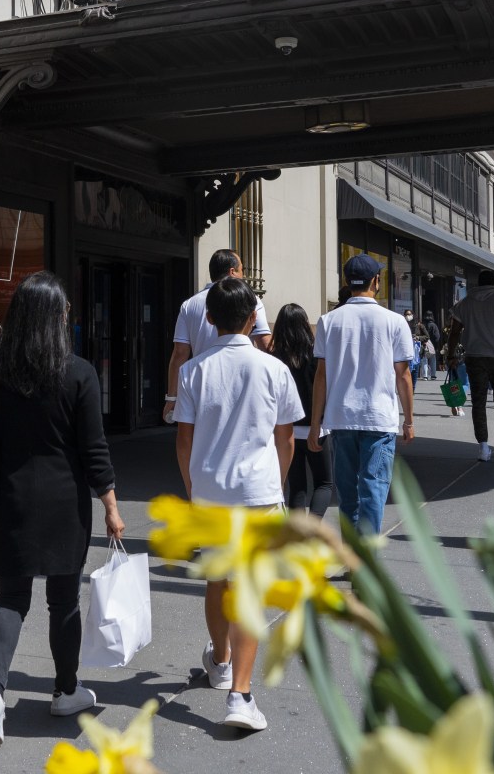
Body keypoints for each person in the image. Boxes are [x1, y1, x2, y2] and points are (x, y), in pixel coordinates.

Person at [0, 272, 124, 746]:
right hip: (64, 502)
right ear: (56, 318)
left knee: (11, 599)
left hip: (10, 498)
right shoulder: (79, 372)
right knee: (63, 601)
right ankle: (65, 690)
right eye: (66, 309)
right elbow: (94, 450)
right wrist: (110, 504)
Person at [174, 277, 303, 732]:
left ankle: (221, 661)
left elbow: (183, 442)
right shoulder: (274, 369)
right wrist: (278, 482)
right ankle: (240, 696)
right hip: (259, 493)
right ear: (253, 319)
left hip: (209, 494)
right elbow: (286, 438)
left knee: (217, 583)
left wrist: (193, 489)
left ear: (208, 318)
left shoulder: (193, 371)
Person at [308, 256, 414, 536]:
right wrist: (409, 419)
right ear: (375, 281)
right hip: (378, 419)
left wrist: (316, 422)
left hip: (341, 417)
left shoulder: (328, 321)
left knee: (347, 494)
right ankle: (366, 561)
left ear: (347, 282)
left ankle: (355, 556)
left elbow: (321, 375)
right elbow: (403, 375)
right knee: (374, 489)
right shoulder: (394, 322)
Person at [163, 249, 270, 425]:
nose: (243, 276)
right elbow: (265, 345)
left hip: (201, 383)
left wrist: (172, 398)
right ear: (232, 272)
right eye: (242, 270)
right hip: (242, 384)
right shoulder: (251, 300)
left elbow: (180, 353)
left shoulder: (189, 305)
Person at [445, 270, 494, 462]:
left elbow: (454, 332)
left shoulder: (464, 304)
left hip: (475, 357)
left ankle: (483, 447)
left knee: (478, 403)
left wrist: (451, 354)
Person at [271, 303, 332, 517]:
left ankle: (297, 535)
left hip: (286, 431)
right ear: (306, 325)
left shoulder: (274, 358)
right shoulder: (317, 357)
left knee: (296, 487)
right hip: (317, 428)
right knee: (324, 483)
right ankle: (313, 529)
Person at [421, 311, 442, 379]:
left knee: (424, 359)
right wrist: (436, 345)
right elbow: (437, 337)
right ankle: (433, 375)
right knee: (432, 359)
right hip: (432, 345)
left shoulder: (422, 325)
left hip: (423, 344)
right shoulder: (434, 325)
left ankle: (425, 375)